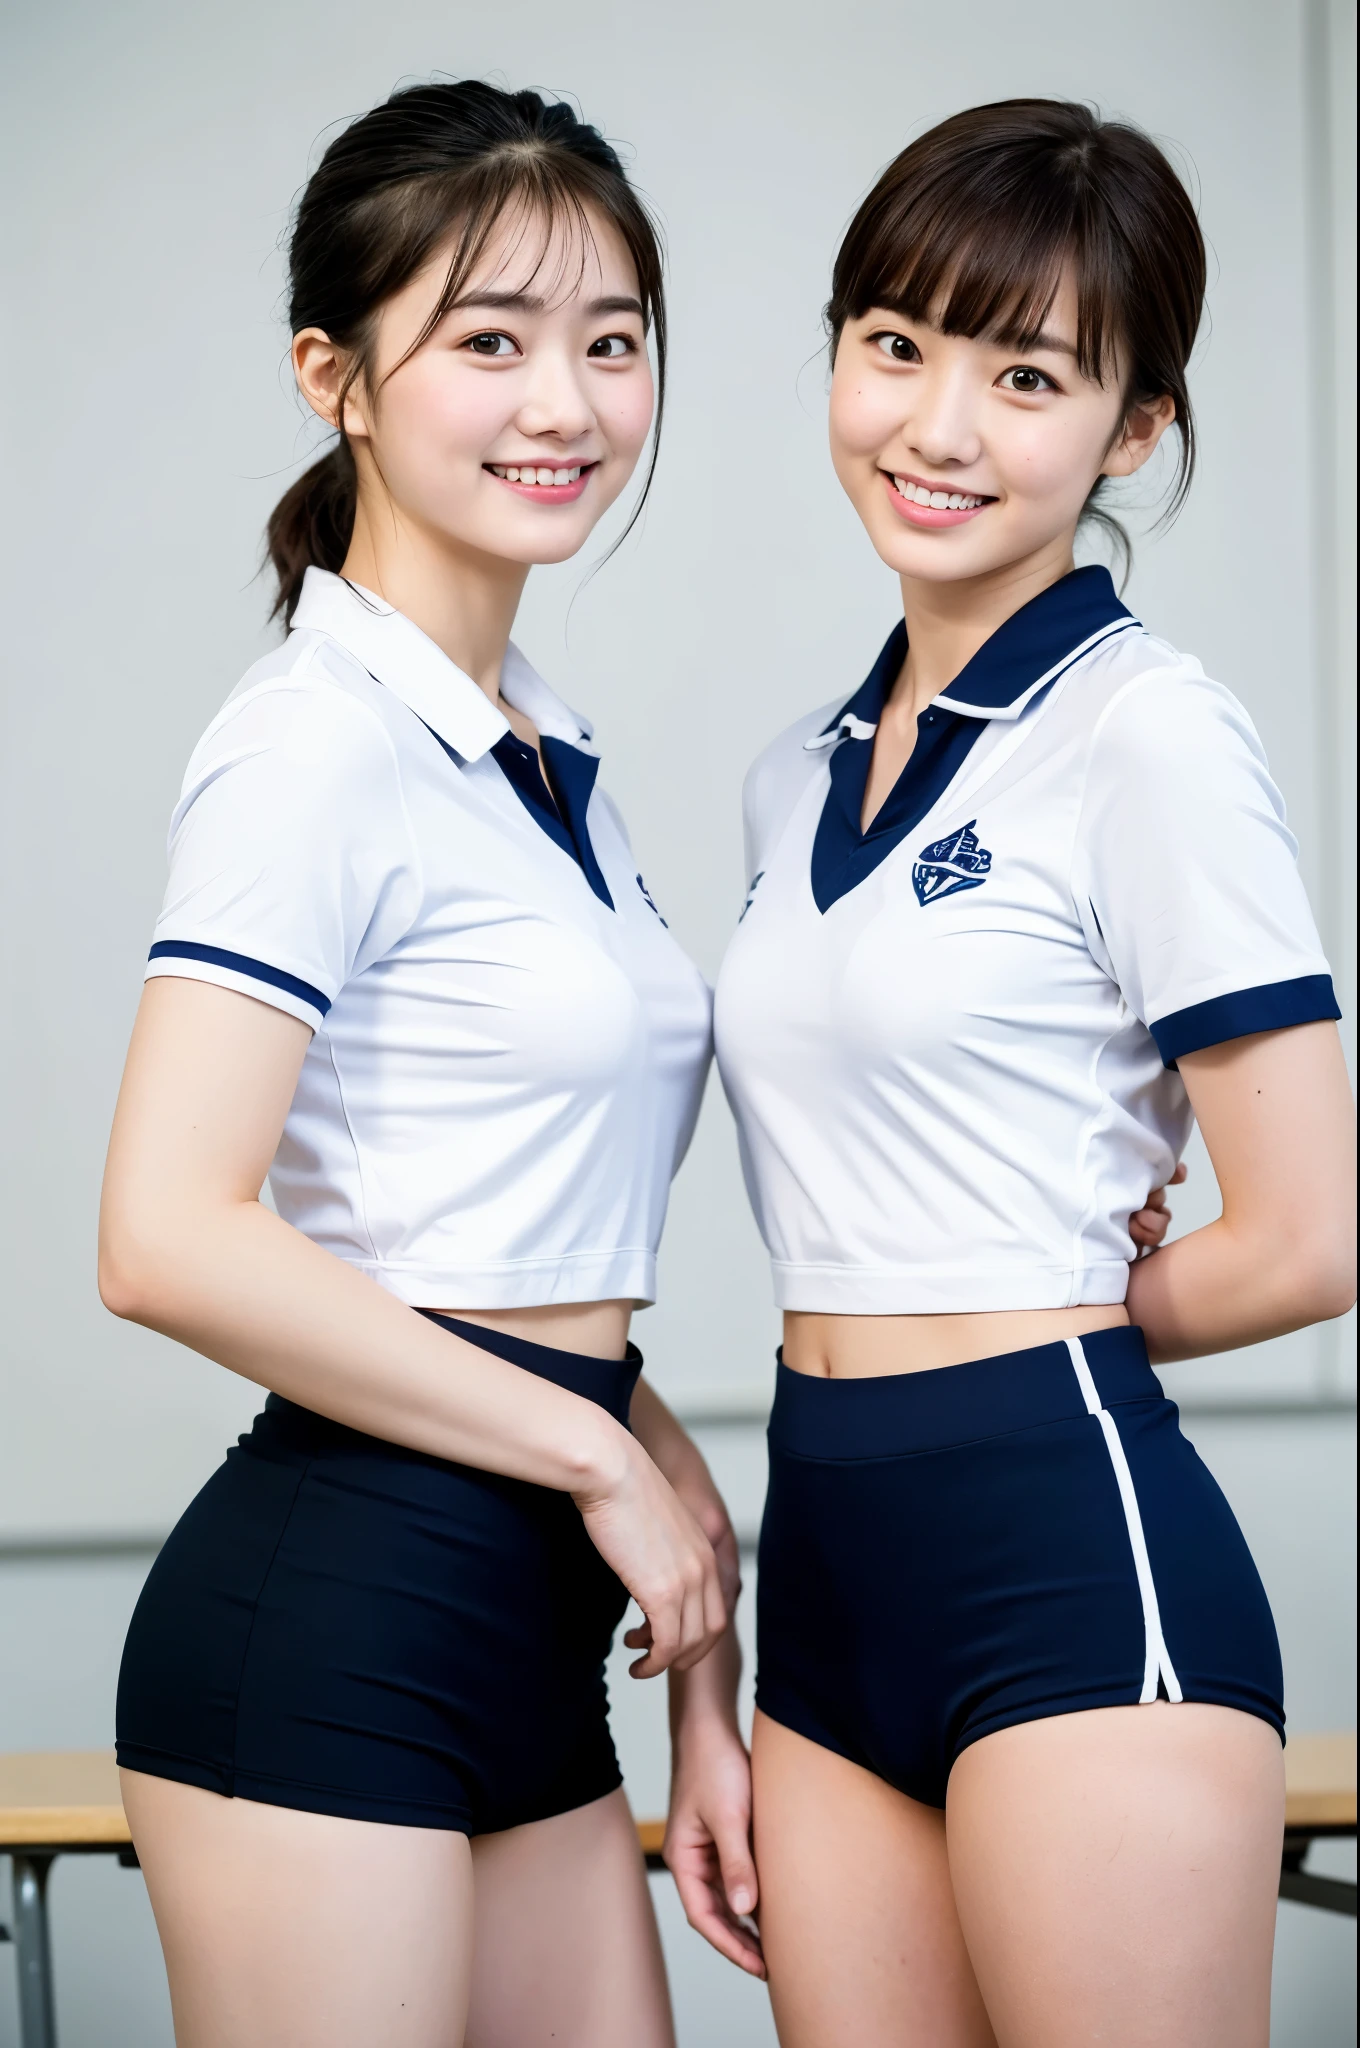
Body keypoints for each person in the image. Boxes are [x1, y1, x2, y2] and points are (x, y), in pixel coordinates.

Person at [99, 79, 751, 2048]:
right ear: (339, 375)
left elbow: (526, 1269)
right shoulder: (316, 742)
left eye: (608, 341)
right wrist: (589, 1460)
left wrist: (697, 1625)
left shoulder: (540, 761)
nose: (561, 400)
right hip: (330, 1629)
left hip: (533, 1647)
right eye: (489, 338)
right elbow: (164, 1237)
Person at [711, 99, 1356, 2048]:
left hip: (1062, 1564)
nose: (935, 426)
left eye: (1023, 374)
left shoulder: (1146, 735)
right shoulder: (796, 769)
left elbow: (1312, 1234)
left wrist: (1068, 1305)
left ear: (1131, 427)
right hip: (819, 1558)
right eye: (893, 345)